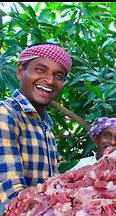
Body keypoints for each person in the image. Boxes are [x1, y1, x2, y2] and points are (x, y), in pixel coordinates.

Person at [0, 42, 72, 203]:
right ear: (20, 71)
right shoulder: (6, 114)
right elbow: (9, 190)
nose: (50, 80)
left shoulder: (45, 124)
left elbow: (50, 185)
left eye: (58, 76)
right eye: (41, 70)